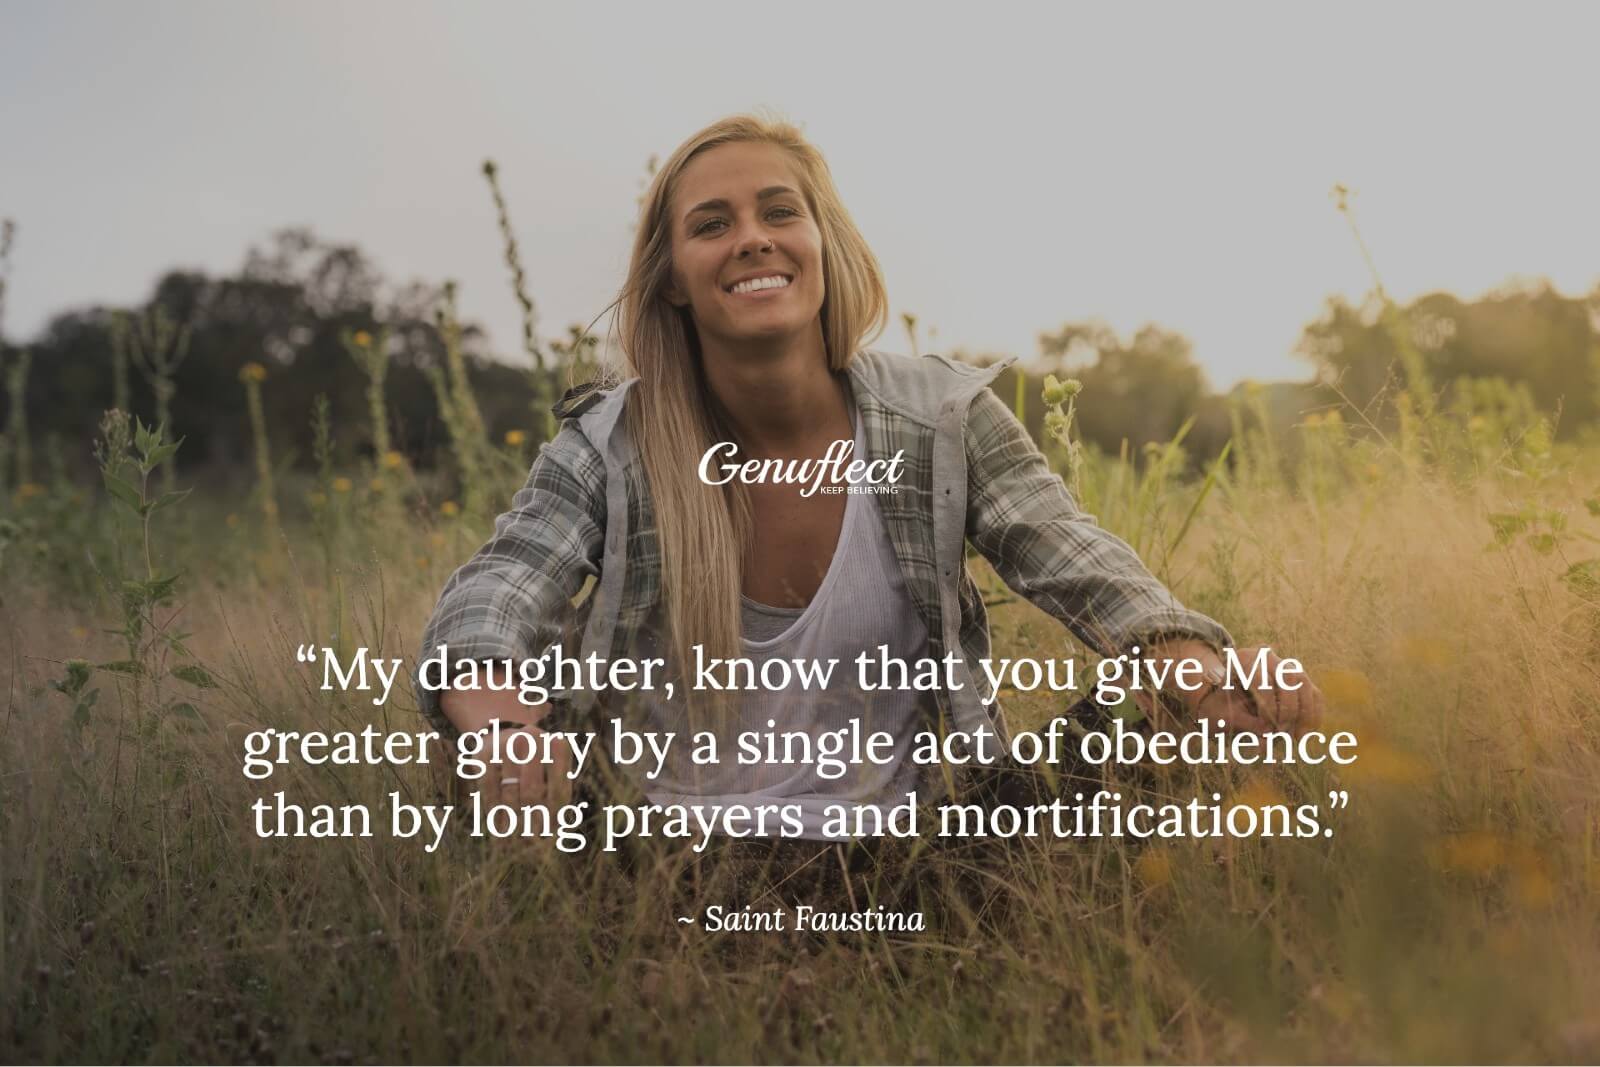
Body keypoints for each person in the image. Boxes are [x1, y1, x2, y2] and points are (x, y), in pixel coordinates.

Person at [416, 113, 1324, 859]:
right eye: (712, 224)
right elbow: (499, 586)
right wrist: (499, 718)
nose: (752, 239)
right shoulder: (607, 443)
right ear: (676, 281)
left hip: (929, 849)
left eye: (780, 211)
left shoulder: (941, 418)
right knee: (476, 748)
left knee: (1199, 705)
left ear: (821, 243)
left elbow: (1077, 561)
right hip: (656, 859)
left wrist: (1191, 664)